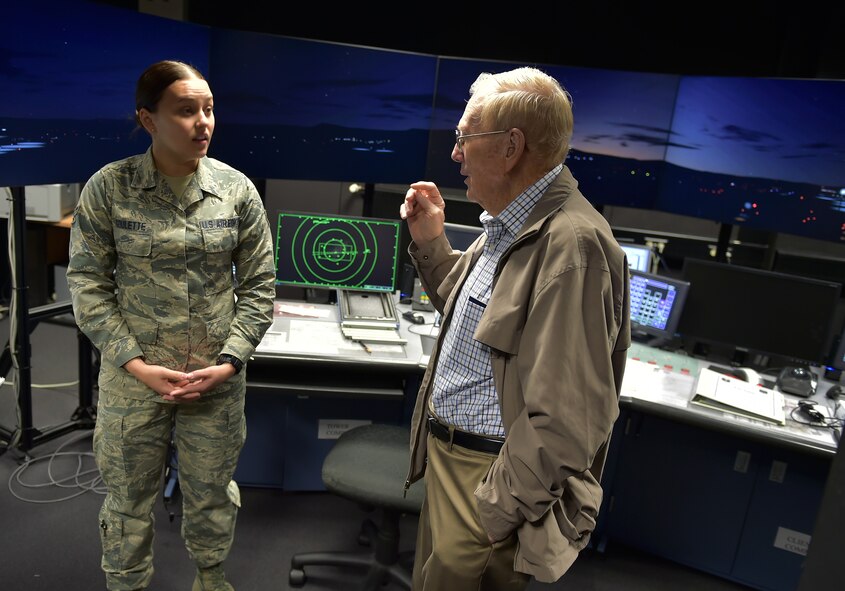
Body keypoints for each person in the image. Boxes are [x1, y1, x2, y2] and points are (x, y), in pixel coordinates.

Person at [400, 66, 631, 590]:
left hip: (486, 480)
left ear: (510, 147)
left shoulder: (574, 247)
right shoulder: (510, 223)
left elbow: (571, 421)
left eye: (464, 137)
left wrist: (495, 510)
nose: (456, 153)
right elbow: (476, 319)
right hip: (450, 461)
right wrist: (432, 244)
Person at [66, 60, 276, 591]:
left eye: (208, 109)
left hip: (214, 383)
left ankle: (210, 578)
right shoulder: (109, 189)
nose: (203, 122)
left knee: (210, 494)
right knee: (129, 502)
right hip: (133, 382)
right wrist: (137, 365)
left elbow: (259, 287)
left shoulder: (237, 191)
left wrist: (229, 363)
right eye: (186, 111)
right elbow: (88, 286)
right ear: (148, 118)